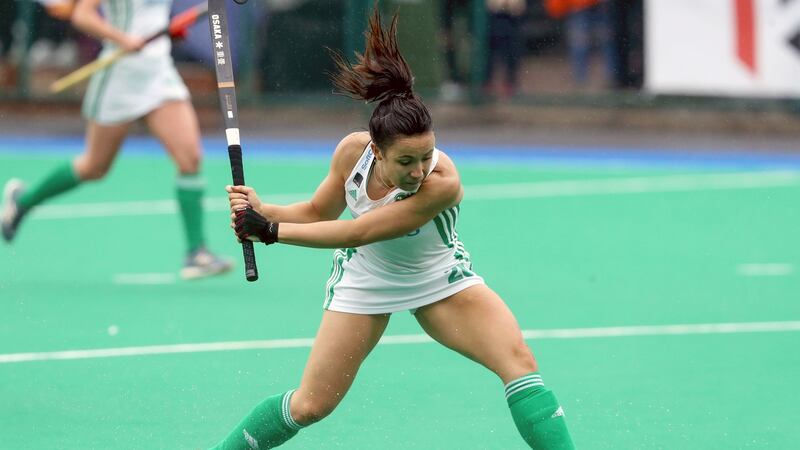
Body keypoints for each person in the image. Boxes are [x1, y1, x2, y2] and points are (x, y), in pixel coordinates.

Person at [211, 9, 575, 450]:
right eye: (406, 161)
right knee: (310, 405)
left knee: (520, 364)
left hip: (440, 278)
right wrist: (262, 209)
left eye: (427, 154)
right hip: (366, 282)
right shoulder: (351, 154)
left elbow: (358, 232)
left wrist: (269, 230)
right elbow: (316, 211)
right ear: (376, 151)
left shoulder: (443, 183)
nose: (420, 169)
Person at [0, 0, 232, 279]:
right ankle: (23, 201)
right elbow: (82, 16)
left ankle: (197, 253)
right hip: (120, 76)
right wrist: (123, 39)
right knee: (94, 167)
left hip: (158, 74)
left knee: (190, 158)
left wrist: (172, 29)